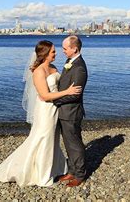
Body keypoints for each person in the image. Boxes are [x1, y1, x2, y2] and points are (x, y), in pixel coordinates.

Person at [0, 40, 82, 187]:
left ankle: (53, 169)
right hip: (45, 110)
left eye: (55, 51)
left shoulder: (53, 67)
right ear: (44, 54)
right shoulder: (38, 72)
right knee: (42, 139)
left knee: (52, 140)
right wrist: (67, 92)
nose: (56, 54)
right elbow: (44, 96)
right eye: (53, 52)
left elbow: (57, 86)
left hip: (55, 109)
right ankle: (40, 176)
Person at [53, 36, 88, 187]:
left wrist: (54, 101)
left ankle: (80, 174)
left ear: (74, 48)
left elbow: (75, 94)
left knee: (75, 143)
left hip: (72, 113)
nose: (63, 51)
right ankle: (72, 171)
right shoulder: (70, 62)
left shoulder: (79, 67)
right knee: (68, 143)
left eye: (65, 48)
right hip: (65, 112)